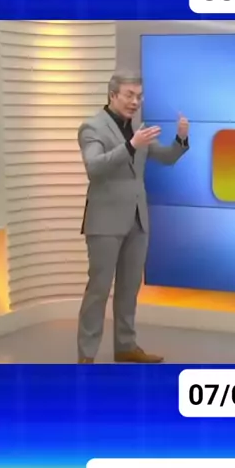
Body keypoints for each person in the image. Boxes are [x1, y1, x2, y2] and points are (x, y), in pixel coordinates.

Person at [76, 70, 189, 364]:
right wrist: (130, 146)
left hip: (137, 220)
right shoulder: (92, 127)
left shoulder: (137, 128)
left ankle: (125, 346)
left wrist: (181, 138)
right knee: (99, 290)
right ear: (112, 94)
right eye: (129, 95)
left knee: (129, 289)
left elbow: (165, 157)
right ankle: (86, 356)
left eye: (139, 96)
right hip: (105, 222)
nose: (135, 101)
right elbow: (94, 167)